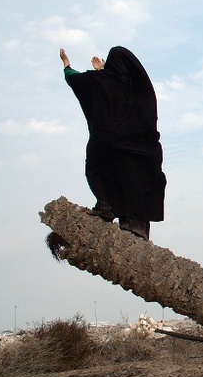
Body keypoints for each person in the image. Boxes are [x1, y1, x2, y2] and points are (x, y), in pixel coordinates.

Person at [60, 47, 166, 240]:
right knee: (135, 183)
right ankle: (136, 227)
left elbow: (76, 80)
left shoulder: (101, 81)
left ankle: (105, 206)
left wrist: (67, 65)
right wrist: (103, 73)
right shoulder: (141, 90)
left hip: (106, 145)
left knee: (99, 170)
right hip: (140, 152)